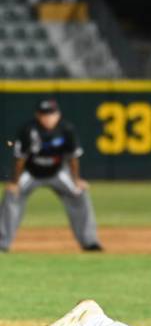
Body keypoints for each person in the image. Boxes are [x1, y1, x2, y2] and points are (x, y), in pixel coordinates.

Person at [0, 98, 102, 252]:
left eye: (51, 114)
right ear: (38, 115)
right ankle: (2, 243)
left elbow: (73, 158)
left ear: (58, 115)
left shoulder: (66, 129)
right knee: (11, 194)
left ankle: (90, 242)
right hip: (31, 172)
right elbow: (20, 159)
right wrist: (15, 182)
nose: (48, 118)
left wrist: (76, 180)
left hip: (57, 172)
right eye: (44, 114)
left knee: (79, 193)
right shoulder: (28, 130)